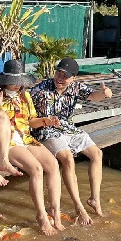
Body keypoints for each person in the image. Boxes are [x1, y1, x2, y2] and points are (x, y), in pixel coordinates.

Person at [0, 59, 65, 236]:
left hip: (26, 138)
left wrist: (45, 121)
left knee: (53, 165)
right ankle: (41, 216)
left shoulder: (25, 96)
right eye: (15, 82)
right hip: (6, 143)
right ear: (5, 80)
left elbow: (31, 122)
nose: (18, 85)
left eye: (21, 82)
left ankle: (55, 211)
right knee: (36, 169)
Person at [30, 57, 113, 225]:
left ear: (73, 78)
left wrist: (104, 94)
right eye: (58, 73)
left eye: (65, 76)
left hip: (68, 128)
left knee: (97, 154)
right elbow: (28, 115)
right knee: (68, 158)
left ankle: (94, 199)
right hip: (46, 129)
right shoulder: (40, 90)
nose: (60, 78)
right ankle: (78, 206)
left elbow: (93, 95)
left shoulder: (76, 87)